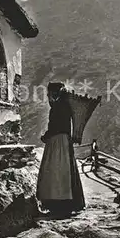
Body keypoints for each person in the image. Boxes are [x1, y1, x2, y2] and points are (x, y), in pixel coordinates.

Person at [36, 82, 86, 218]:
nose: (48, 97)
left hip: (57, 141)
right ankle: (66, 204)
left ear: (54, 94)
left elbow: (54, 127)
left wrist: (45, 137)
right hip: (64, 141)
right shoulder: (66, 106)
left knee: (55, 171)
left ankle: (57, 204)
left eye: (49, 94)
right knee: (65, 171)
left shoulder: (57, 108)